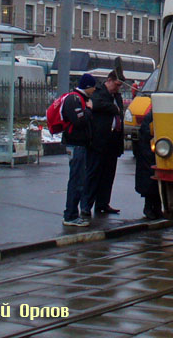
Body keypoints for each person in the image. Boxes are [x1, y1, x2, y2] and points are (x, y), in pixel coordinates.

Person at [87, 60, 126, 217]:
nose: (117, 88)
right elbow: (96, 104)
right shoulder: (99, 93)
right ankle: (87, 205)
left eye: (119, 86)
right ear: (109, 81)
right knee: (94, 175)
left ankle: (103, 203)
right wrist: (114, 108)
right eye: (116, 85)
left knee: (108, 176)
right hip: (100, 142)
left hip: (113, 143)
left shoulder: (117, 96)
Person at [62, 73, 97, 227]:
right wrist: (89, 110)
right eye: (93, 87)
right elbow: (79, 121)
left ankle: (72, 214)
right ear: (88, 87)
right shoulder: (75, 99)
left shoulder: (81, 99)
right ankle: (70, 215)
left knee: (78, 180)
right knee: (76, 180)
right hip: (75, 144)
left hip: (79, 145)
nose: (95, 90)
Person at [134, 109, 162, 219]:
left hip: (152, 153)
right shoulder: (152, 116)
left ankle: (155, 208)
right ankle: (150, 208)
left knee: (155, 183)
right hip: (150, 154)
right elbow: (147, 132)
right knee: (151, 182)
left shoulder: (152, 114)